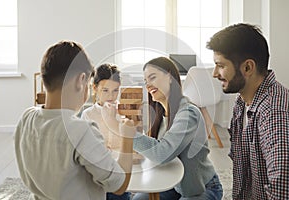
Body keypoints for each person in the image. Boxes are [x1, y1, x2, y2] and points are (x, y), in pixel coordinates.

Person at [14, 41, 136, 200]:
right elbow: (119, 186)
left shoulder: (26, 118)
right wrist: (127, 138)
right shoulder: (81, 130)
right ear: (81, 80)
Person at [206, 23, 289, 199]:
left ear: (248, 68)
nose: (214, 73)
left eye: (220, 65)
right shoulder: (242, 101)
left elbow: (282, 190)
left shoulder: (274, 114)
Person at [132, 57, 223, 200]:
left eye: (152, 77)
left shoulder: (188, 113)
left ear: (169, 77)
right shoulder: (160, 116)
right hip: (175, 185)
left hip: (201, 188)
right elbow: (153, 151)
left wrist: (130, 135)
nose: (148, 85)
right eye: (145, 81)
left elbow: (162, 153)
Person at [81, 63, 131, 200]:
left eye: (115, 91)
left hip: (119, 172)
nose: (111, 96)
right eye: (105, 90)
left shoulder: (124, 114)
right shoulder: (88, 115)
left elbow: (130, 145)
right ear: (95, 88)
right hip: (98, 176)